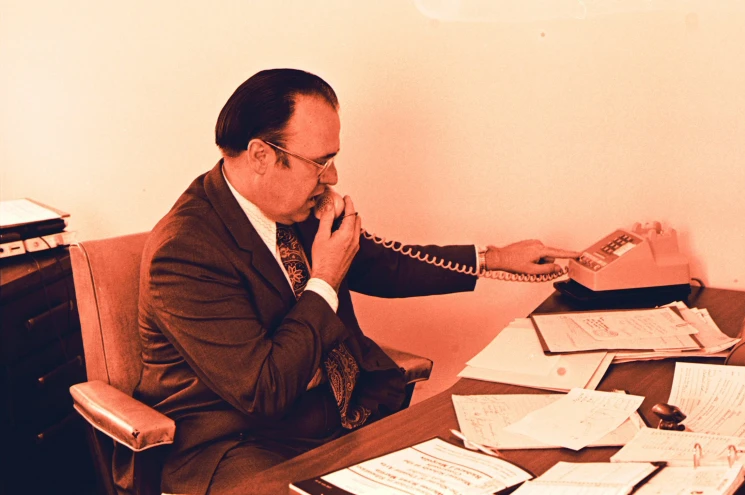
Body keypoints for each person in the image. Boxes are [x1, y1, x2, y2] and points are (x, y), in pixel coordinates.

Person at [130, 68, 579, 495]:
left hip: (333, 413)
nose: (333, 178)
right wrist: (325, 276)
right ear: (262, 156)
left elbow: (386, 264)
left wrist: (495, 258)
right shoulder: (185, 250)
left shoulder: (289, 206)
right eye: (320, 163)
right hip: (238, 444)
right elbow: (263, 390)